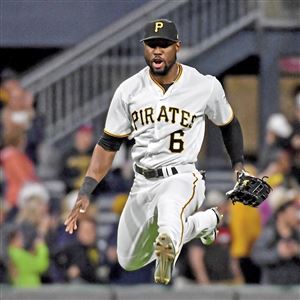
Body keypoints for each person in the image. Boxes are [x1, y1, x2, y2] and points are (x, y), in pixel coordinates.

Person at [65, 19, 246, 285]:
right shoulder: (129, 90)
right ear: (145, 49)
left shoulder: (203, 85)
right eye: (151, 45)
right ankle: (206, 221)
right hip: (142, 182)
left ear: (177, 47)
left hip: (182, 176)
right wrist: (85, 190)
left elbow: (228, 124)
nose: (157, 50)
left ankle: (169, 245)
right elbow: (108, 145)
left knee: (170, 209)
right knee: (129, 259)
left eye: (164, 45)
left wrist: (238, 166)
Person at [251, 187, 300, 284]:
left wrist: (297, 251)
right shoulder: (269, 233)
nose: (296, 214)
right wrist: (278, 253)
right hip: (273, 291)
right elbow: (256, 256)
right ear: (281, 213)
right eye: (292, 210)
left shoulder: (297, 234)